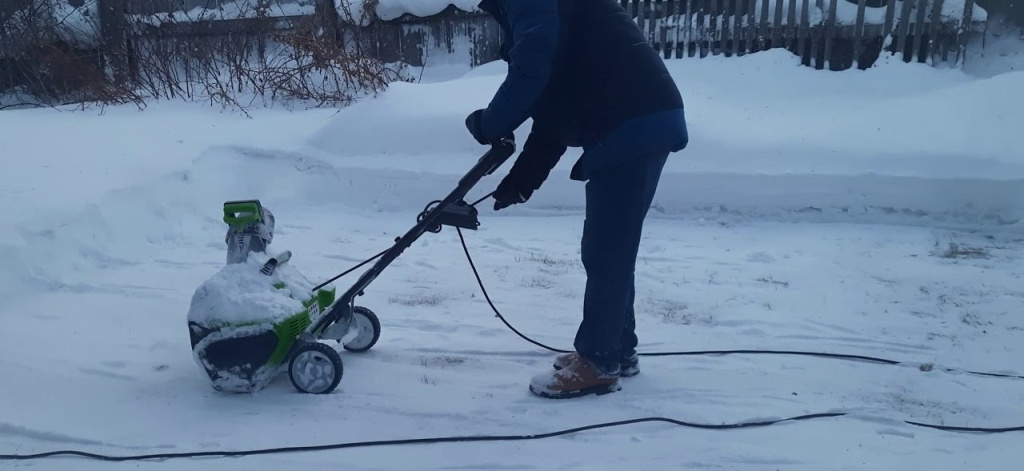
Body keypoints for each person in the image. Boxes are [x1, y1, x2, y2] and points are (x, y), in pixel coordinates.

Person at [465, 0, 688, 399]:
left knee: (606, 250)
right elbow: (554, 111)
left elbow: (532, 68)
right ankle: (616, 350)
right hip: (638, 118)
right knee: (611, 247)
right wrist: (521, 181)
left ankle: (599, 361)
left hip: (631, 122)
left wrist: (490, 123)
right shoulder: (557, 13)